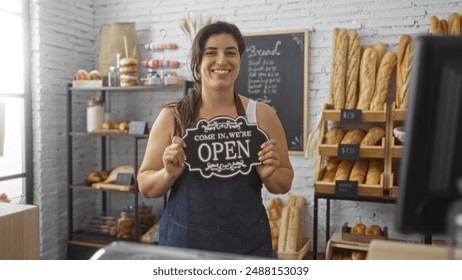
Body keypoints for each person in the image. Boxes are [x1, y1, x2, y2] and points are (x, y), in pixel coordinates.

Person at [137, 21, 294, 258]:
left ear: (240, 60)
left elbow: (284, 183)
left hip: (247, 245)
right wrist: (167, 174)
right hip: (184, 246)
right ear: (198, 61)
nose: (222, 61)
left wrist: (270, 173)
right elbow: (146, 186)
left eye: (230, 52)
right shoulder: (173, 116)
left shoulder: (262, 114)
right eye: (211, 52)